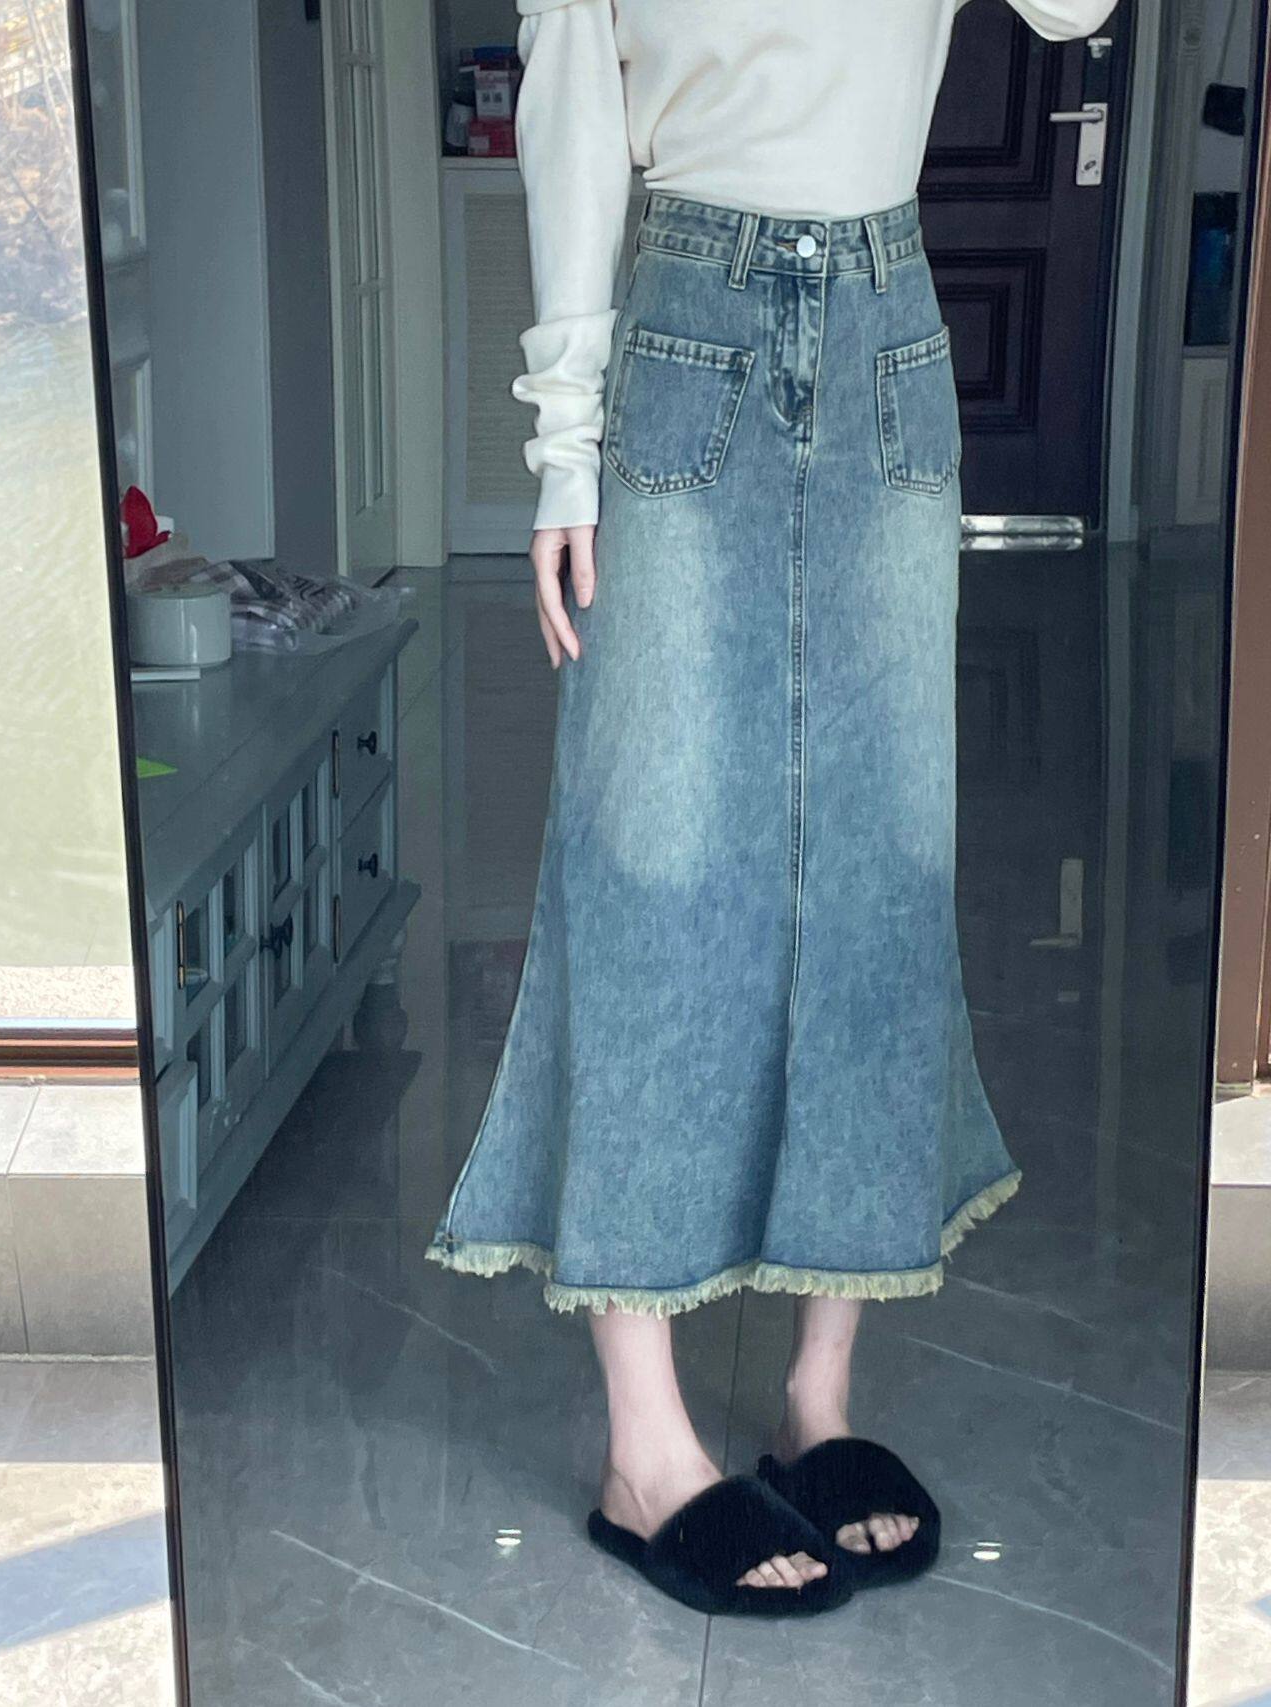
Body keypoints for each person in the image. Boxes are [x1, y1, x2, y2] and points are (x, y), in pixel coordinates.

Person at [428, 0, 1117, 1614]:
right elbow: (574, 111)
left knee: (877, 873)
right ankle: (644, 1443)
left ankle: (820, 1398)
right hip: (689, 325)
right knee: (652, 866)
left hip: (888, 324)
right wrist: (563, 446)